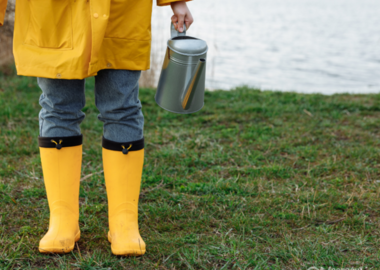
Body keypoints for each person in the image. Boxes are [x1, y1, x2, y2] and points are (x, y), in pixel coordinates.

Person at [0, 0, 194, 256]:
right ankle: (62, 220)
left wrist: (177, 1)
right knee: (58, 108)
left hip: (123, 10)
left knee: (122, 107)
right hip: (51, 13)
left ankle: (124, 223)